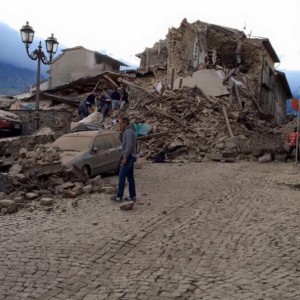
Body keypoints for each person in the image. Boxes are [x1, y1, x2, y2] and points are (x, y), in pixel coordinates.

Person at [111, 116, 137, 202]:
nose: (119, 126)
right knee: (130, 177)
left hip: (129, 156)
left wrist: (125, 157)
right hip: (131, 156)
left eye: (121, 124)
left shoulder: (128, 132)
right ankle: (132, 196)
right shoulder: (128, 131)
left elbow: (129, 145)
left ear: (125, 124)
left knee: (122, 175)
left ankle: (119, 196)